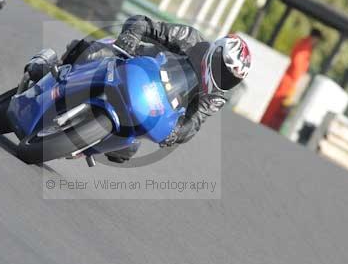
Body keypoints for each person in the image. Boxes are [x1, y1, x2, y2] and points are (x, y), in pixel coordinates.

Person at [24, 15, 252, 163]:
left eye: (230, 78)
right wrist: (130, 38)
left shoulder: (217, 95)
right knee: (93, 51)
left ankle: (86, 144)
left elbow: (195, 121)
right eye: (223, 69)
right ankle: (51, 67)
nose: (224, 78)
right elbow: (143, 23)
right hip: (133, 62)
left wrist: (176, 133)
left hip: (154, 101)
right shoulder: (190, 39)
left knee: (127, 150)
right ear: (216, 53)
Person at [260, 28, 323, 130]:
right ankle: (264, 124)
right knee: (275, 104)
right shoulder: (305, 46)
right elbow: (296, 62)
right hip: (289, 80)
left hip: (293, 81)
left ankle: (268, 126)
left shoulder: (307, 47)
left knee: (281, 108)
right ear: (314, 38)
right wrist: (297, 79)